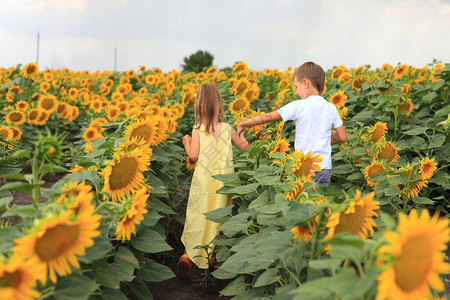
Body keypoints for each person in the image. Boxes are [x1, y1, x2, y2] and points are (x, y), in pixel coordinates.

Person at [177, 83, 249, 281]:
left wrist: (186, 142)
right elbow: (244, 147)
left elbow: (193, 155)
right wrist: (242, 133)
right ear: (218, 105)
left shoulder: (198, 129)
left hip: (203, 182)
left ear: (198, 107)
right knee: (220, 218)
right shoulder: (227, 128)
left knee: (197, 215)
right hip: (224, 183)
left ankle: (188, 256)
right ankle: (215, 257)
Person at [237, 62, 347, 186]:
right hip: (324, 168)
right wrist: (324, 131)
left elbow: (268, 117)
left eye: (296, 87)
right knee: (319, 201)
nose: (296, 92)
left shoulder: (298, 105)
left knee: (301, 200)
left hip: (303, 167)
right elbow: (343, 137)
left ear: (305, 83)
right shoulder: (331, 107)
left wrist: (245, 123)